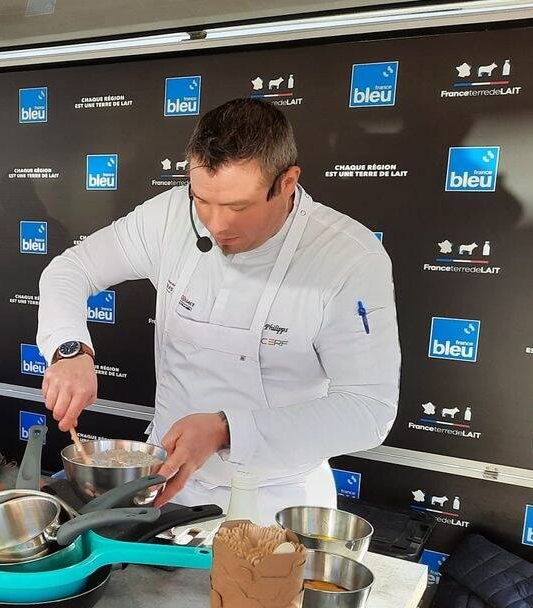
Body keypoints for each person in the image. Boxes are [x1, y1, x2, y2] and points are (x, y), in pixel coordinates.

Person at [36, 98, 400, 519]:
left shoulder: (348, 257)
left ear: (287, 182)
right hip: (163, 485)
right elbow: (70, 269)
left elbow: (367, 411)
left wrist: (227, 430)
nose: (216, 223)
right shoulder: (171, 215)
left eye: (238, 207)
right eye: (202, 200)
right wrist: (69, 348)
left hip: (275, 498)